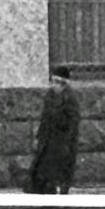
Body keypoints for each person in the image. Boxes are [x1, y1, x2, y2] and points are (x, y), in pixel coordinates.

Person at [27, 64, 81, 194]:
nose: (54, 85)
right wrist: (39, 137)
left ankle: (59, 198)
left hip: (62, 141)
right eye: (53, 81)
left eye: (57, 82)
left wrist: (68, 142)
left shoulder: (70, 98)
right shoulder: (50, 96)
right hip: (48, 139)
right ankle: (44, 196)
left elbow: (73, 122)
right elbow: (44, 118)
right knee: (42, 170)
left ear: (63, 84)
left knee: (59, 172)